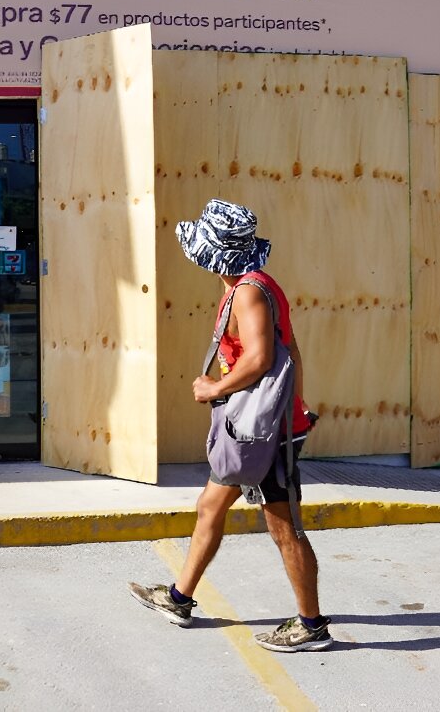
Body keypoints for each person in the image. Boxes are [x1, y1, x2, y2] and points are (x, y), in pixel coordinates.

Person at [129, 199, 331, 653]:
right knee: (210, 506)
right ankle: (179, 598)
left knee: (284, 528)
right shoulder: (249, 286)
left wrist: (216, 389)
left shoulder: (249, 292)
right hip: (252, 429)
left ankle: (312, 625)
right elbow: (291, 353)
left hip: (265, 436)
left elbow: (262, 359)